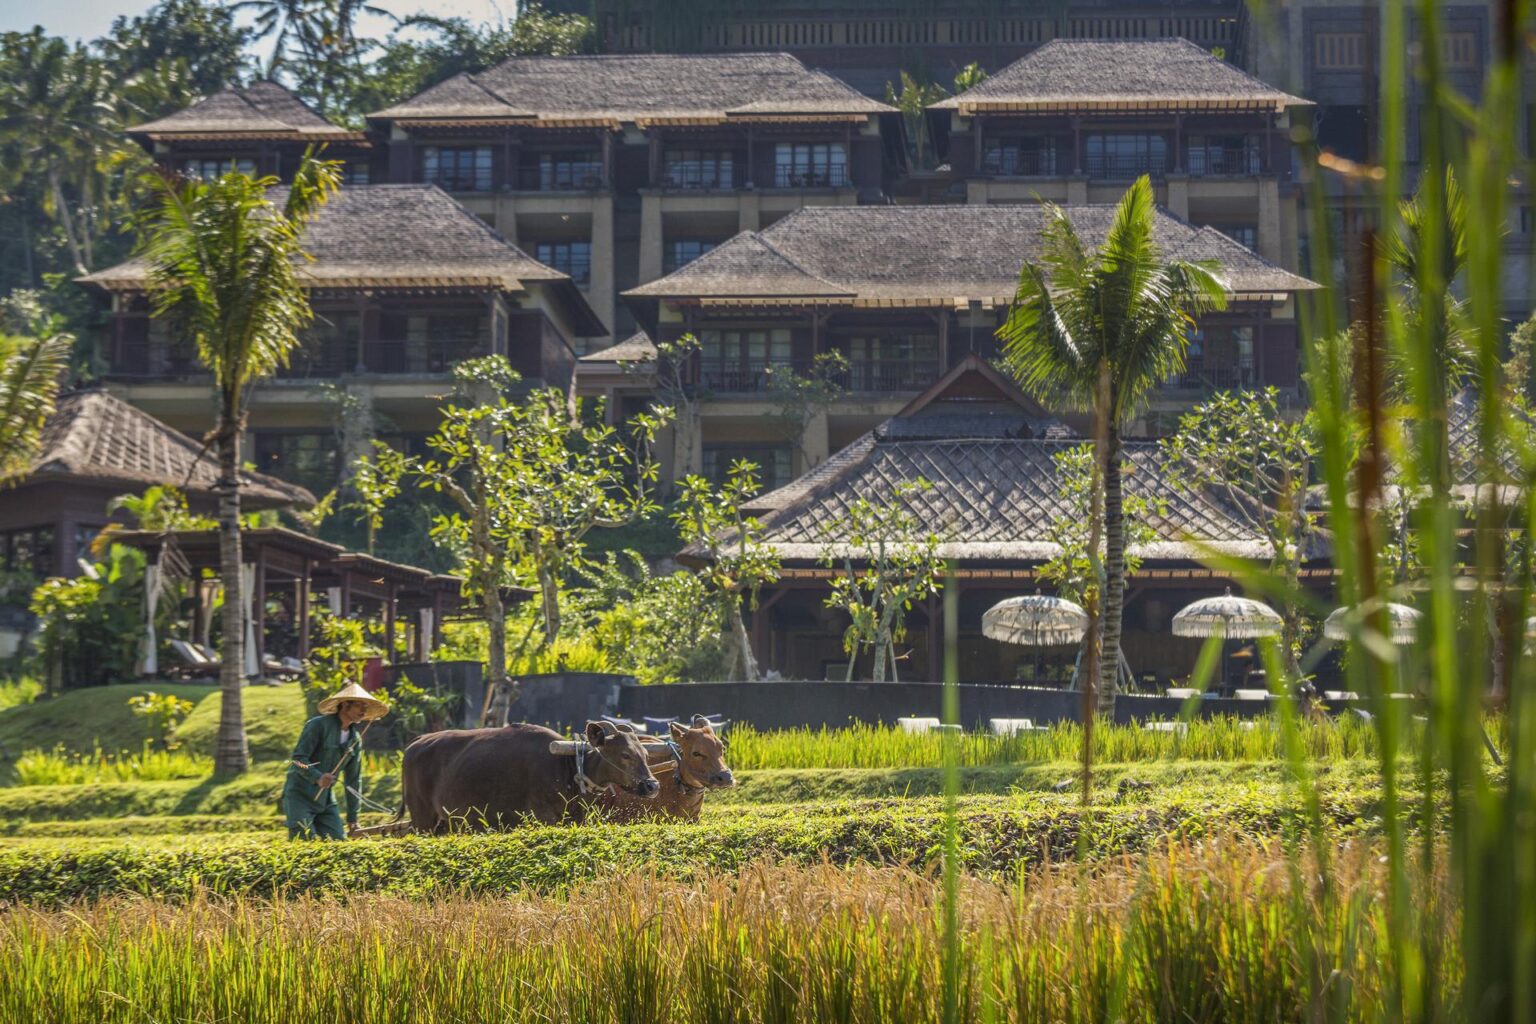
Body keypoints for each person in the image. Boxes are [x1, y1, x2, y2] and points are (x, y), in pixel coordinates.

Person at [284, 681, 388, 840]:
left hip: (325, 800)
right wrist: (317, 776)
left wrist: (353, 819)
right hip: (300, 796)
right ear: (345, 705)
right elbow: (297, 760)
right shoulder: (317, 725)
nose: (364, 710)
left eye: (366, 707)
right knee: (304, 839)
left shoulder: (355, 739)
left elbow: (353, 780)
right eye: (360, 705)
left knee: (339, 842)